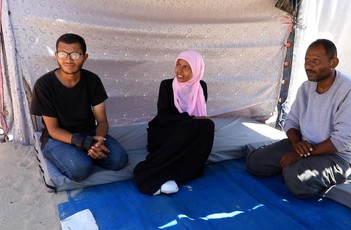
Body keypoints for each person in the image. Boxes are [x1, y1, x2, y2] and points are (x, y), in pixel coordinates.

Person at [246, 39, 351, 199]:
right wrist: (297, 143)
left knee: (297, 178)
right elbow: (291, 122)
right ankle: (293, 167)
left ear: (334, 62)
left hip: (336, 156)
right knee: (255, 162)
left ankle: (295, 169)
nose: (309, 66)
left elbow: (344, 139)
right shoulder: (306, 87)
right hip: (303, 146)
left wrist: (300, 155)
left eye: (315, 61)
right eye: (307, 60)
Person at [30, 33, 128, 182]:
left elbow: (102, 121)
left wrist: (98, 140)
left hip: (89, 133)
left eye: (75, 54)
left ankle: (90, 153)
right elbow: (53, 129)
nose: (68, 59)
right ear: (56, 55)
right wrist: (83, 143)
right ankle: (74, 154)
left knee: (119, 160)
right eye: (63, 54)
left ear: (85, 57)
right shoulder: (44, 85)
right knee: (81, 169)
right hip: (57, 138)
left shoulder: (93, 80)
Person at [134, 49, 215, 195]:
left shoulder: (200, 87)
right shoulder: (166, 85)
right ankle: (152, 175)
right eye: (178, 65)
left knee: (208, 126)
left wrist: (191, 122)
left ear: (196, 70)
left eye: (186, 67)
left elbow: (200, 118)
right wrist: (189, 119)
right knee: (192, 126)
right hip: (163, 132)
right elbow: (164, 117)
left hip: (187, 132)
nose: (180, 70)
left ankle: (183, 172)